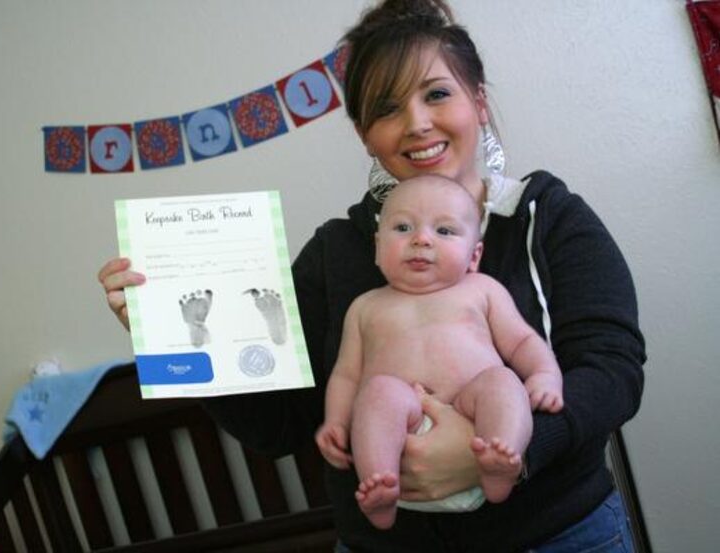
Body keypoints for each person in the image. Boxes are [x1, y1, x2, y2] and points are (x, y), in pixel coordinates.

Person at [98, 0, 645, 550]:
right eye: (386, 109)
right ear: (365, 135)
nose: (417, 124)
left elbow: (612, 369)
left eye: (436, 94)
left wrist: (514, 451)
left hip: (559, 533)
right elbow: (277, 425)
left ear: (478, 103)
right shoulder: (337, 251)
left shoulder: (544, 215)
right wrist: (170, 336)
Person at [315, 174, 563, 530]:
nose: (421, 239)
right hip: (402, 435)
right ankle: (380, 487)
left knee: (502, 382)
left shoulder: (481, 290)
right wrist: (336, 421)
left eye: (444, 231)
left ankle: (501, 461)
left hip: (474, 421)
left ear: (474, 255)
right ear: (377, 246)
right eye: (402, 227)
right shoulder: (365, 307)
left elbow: (522, 341)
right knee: (378, 393)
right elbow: (347, 374)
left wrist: (544, 375)